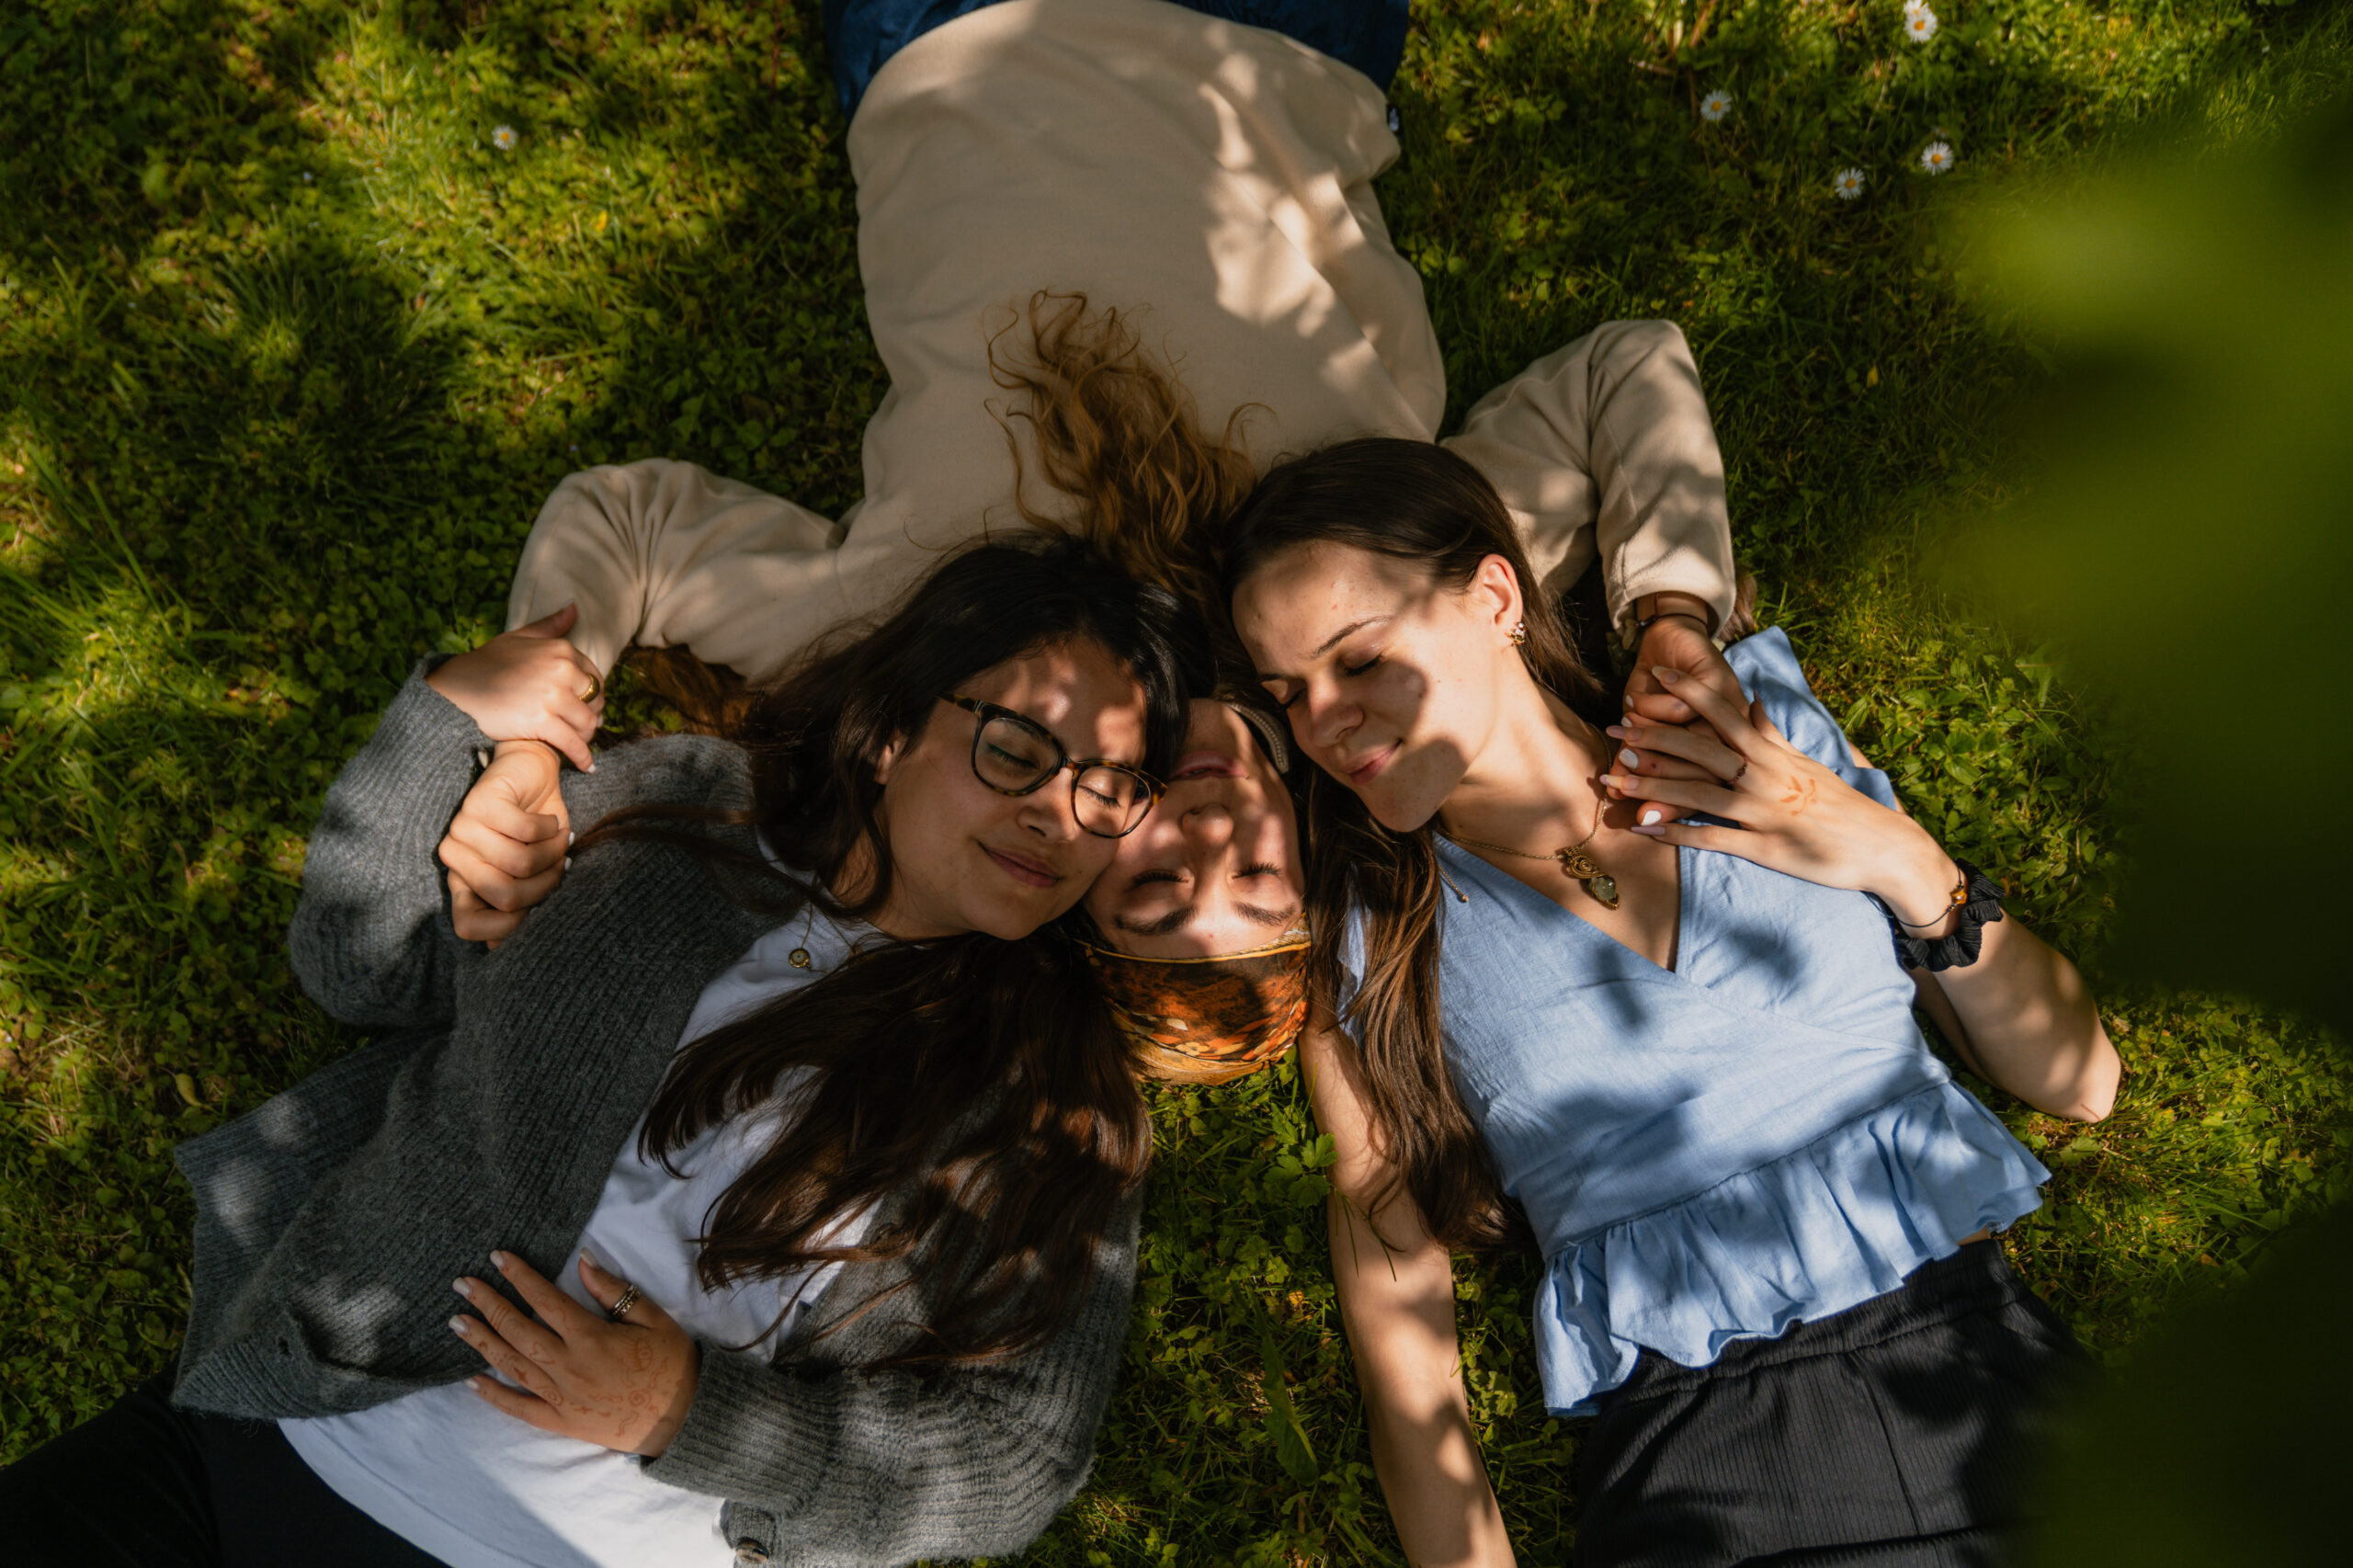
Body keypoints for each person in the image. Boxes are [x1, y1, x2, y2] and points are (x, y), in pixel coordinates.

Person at [450, 0, 1753, 965]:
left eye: (1152, 890)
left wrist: (523, 749)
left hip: (945, 31)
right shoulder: (1374, 602)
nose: (1205, 841)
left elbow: (622, 524)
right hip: (1286, 38)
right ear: (1311, 849)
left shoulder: (929, 648)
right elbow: (1625, 372)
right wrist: (1674, 623)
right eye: (1257, 881)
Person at [0, 540, 1199, 1568]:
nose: (1059, 815)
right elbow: (360, 965)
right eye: (1017, 751)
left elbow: (1017, 1459)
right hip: (273, 1427)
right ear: (893, 729)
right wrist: (453, 718)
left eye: (1111, 788)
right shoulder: (680, 805)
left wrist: (691, 1411)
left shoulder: (1054, 1109)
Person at [1219, 437, 2121, 1567]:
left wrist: (1892, 852)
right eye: (1289, 694)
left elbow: (2080, 1080)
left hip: (2001, 1392)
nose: (1325, 720)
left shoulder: (1753, 732)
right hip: (1712, 1471)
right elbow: (1402, 1340)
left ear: (1494, 596)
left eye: (1357, 660)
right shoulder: (1369, 938)